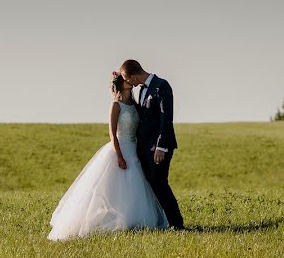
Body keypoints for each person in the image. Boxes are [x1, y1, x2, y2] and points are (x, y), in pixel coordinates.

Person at [47, 71, 168, 241]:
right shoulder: (116, 105)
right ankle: (113, 220)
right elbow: (112, 134)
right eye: (125, 80)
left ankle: (134, 220)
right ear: (120, 84)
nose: (129, 82)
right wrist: (119, 155)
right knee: (115, 186)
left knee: (135, 185)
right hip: (120, 148)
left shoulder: (134, 105)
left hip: (134, 148)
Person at [119, 59, 185, 230]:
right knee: (151, 186)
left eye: (127, 78)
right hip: (144, 147)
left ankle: (177, 224)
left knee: (160, 184)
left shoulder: (161, 86)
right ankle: (161, 222)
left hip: (159, 148)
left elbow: (166, 118)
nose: (127, 82)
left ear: (133, 76)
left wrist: (161, 146)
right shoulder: (140, 90)